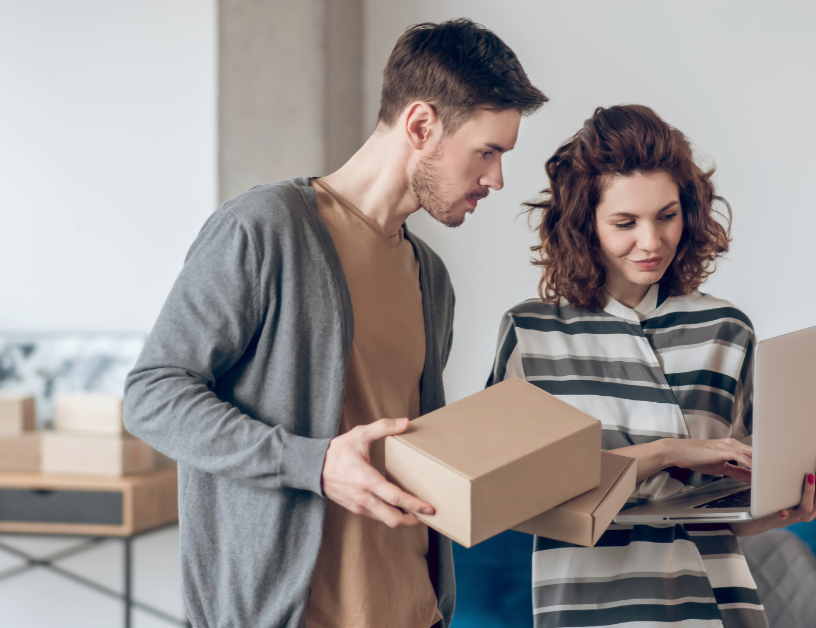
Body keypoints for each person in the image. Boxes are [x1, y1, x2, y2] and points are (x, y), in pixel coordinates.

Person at [123, 19, 547, 628]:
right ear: (422, 126)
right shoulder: (264, 229)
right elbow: (152, 395)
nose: (496, 180)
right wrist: (313, 463)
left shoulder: (431, 278)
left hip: (415, 613)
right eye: (488, 152)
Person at [487, 104, 816, 628]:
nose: (653, 241)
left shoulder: (727, 329)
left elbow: (727, 511)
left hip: (718, 608)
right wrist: (666, 453)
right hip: (589, 611)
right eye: (625, 222)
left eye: (667, 215)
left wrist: (789, 508)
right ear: (583, 224)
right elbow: (513, 498)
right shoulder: (531, 333)